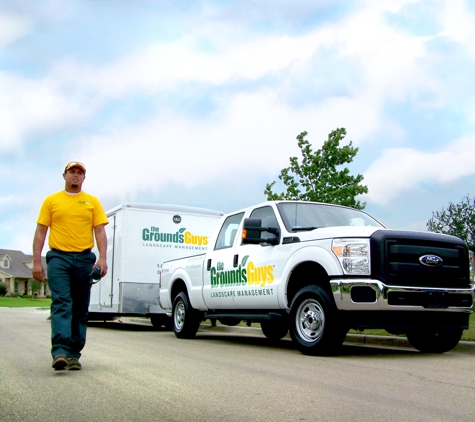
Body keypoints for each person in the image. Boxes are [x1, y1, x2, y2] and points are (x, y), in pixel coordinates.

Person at [32, 161, 108, 371]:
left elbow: (100, 231)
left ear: (84, 178)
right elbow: (41, 232)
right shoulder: (51, 201)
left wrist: (102, 258)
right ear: (64, 176)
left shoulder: (92, 202)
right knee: (62, 302)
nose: (75, 175)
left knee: (80, 307)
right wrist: (37, 261)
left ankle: (74, 354)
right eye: (72, 172)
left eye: (79, 173)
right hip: (58, 258)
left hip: (84, 259)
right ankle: (60, 352)